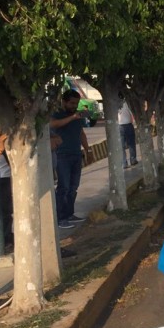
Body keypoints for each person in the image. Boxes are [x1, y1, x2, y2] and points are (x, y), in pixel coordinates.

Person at [51, 89, 91, 230]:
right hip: (62, 156)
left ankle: (69, 214)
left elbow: (81, 133)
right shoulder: (57, 114)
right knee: (63, 187)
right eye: (72, 103)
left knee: (73, 187)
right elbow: (54, 125)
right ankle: (60, 218)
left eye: (76, 103)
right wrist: (73, 117)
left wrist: (87, 149)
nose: (74, 106)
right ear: (64, 101)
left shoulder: (77, 117)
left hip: (76, 154)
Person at [0, 131, 12, 249]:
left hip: (7, 177)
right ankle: (5, 240)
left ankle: (8, 237)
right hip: (1, 179)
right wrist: (0, 146)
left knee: (7, 211)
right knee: (3, 211)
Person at [118, 96, 138, 168]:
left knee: (121, 146)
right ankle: (133, 160)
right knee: (131, 144)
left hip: (119, 126)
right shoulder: (127, 103)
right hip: (128, 125)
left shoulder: (114, 103)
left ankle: (124, 163)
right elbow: (132, 112)